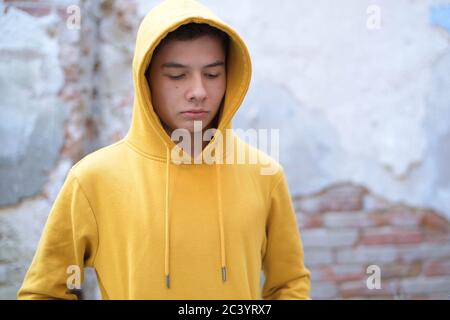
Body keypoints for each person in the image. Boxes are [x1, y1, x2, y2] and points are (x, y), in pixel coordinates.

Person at [18, 0, 310, 300]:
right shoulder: (93, 179)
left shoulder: (265, 175)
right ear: (146, 80)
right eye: (176, 76)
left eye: (212, 75)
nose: (198, 91)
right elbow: (44, 292)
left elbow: (289, 284)